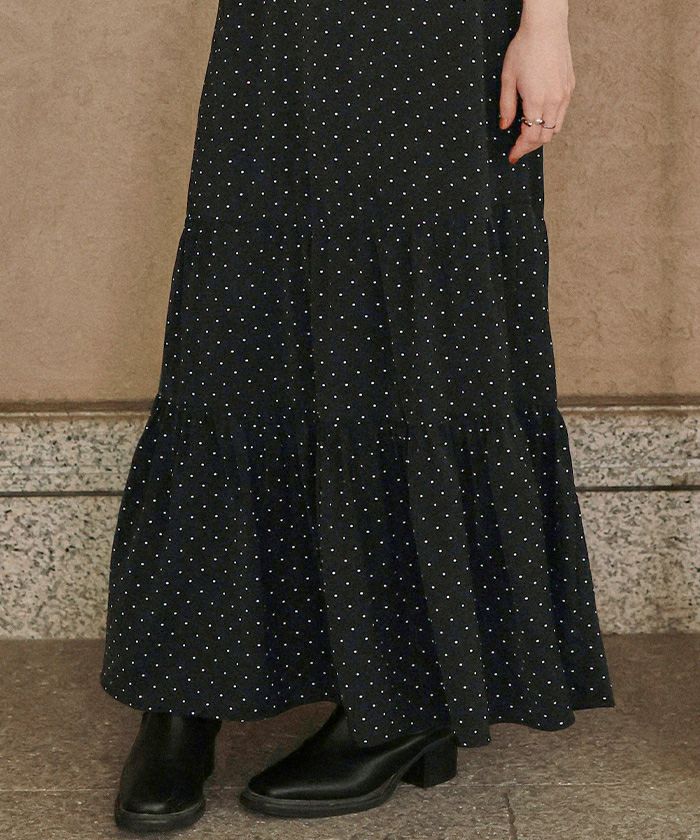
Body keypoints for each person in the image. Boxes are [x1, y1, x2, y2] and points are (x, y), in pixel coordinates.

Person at [100, 0, 615, 831]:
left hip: (440, 30)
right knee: (238, 314)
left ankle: (411, 694)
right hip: (278, 24)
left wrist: (547, 25)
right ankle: (184, 689)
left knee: (421, 331)